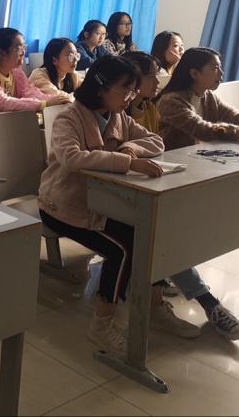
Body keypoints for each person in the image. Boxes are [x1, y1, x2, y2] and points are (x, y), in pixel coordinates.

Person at [39, 55, 198, 355]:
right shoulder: (69, 118)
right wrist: (128, 163)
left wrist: (129, 147)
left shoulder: (118, 117)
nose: (130, 97)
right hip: (62, 206)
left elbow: (156, 142)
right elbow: (72, 158)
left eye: (133, 90)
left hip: (103, 204)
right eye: (125, 90)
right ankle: (101, 323)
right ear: (101, 86)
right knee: (122, 249)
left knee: (150, 234)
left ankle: (153, 306)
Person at [123, 50, 239, 341]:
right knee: (163, 235)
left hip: (161, 182)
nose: (158, 80)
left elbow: (153, 144)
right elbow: (128, 151)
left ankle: (164, 277)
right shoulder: (147, 106)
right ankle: (207, 303)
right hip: (131, 191)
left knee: (175, 231)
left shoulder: (149, 107)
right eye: (151, 76)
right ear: (131, 80)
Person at [158, 47, 239, 150]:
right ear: (194, 73)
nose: (221, 73)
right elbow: (203, 130)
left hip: (195, 154)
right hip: (171, 158)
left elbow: (236, 117)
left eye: (220, 67)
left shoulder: (208, 96)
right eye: (215, 68)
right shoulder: (170, 101)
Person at [0, 27, 70, 116]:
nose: (23, 52)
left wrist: (57, 100)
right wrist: (43, 104)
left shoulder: (16, 72)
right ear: (2, 53)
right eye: (19, 48)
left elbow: (32, 93)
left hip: (8, 123)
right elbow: (3, 102)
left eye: (24, 47)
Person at [121, 51, 163, 133]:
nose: (157, 81)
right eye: (151, 76)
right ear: (133, 78)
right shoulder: (118, 112)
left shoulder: (150, 109)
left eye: (157, 75)